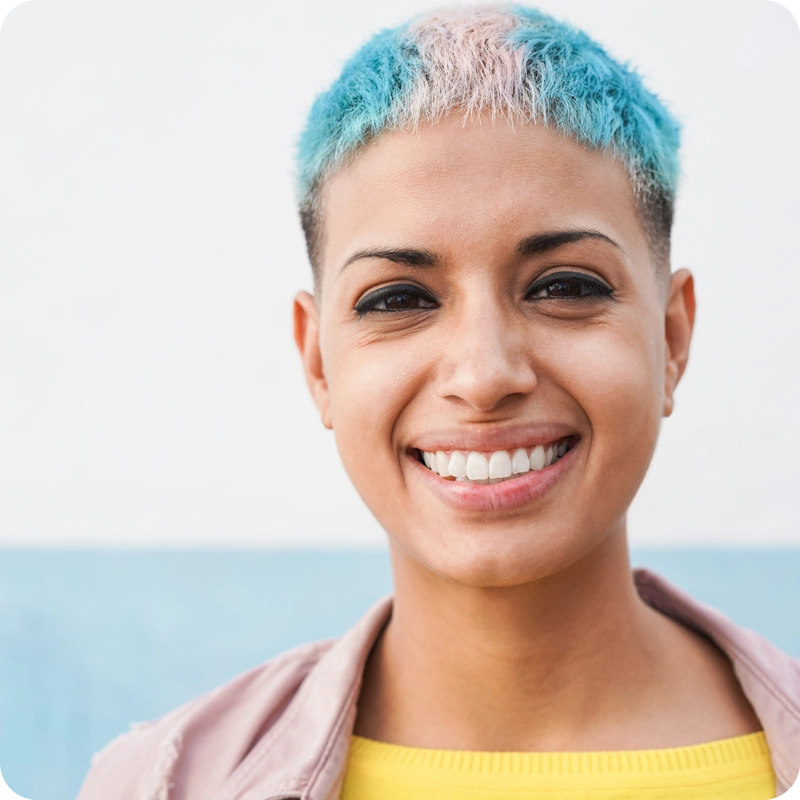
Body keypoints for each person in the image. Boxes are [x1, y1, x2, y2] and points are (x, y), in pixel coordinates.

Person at [77, 5, 800, 799]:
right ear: (318, 360)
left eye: (565, 287)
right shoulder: (161, 783)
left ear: (671, 338)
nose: (485, 374)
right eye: (397, 300)